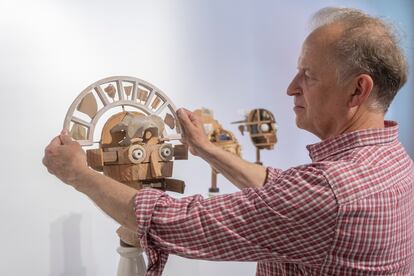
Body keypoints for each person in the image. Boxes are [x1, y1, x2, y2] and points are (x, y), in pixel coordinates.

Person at [43, 7, 414, 275]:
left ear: (357, 90)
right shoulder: (393, 162)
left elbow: (180, 222)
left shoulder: (330, 193)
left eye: (308, 75)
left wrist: (79, 174)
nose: (291, 88)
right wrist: (206, 149)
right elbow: (280, 193)